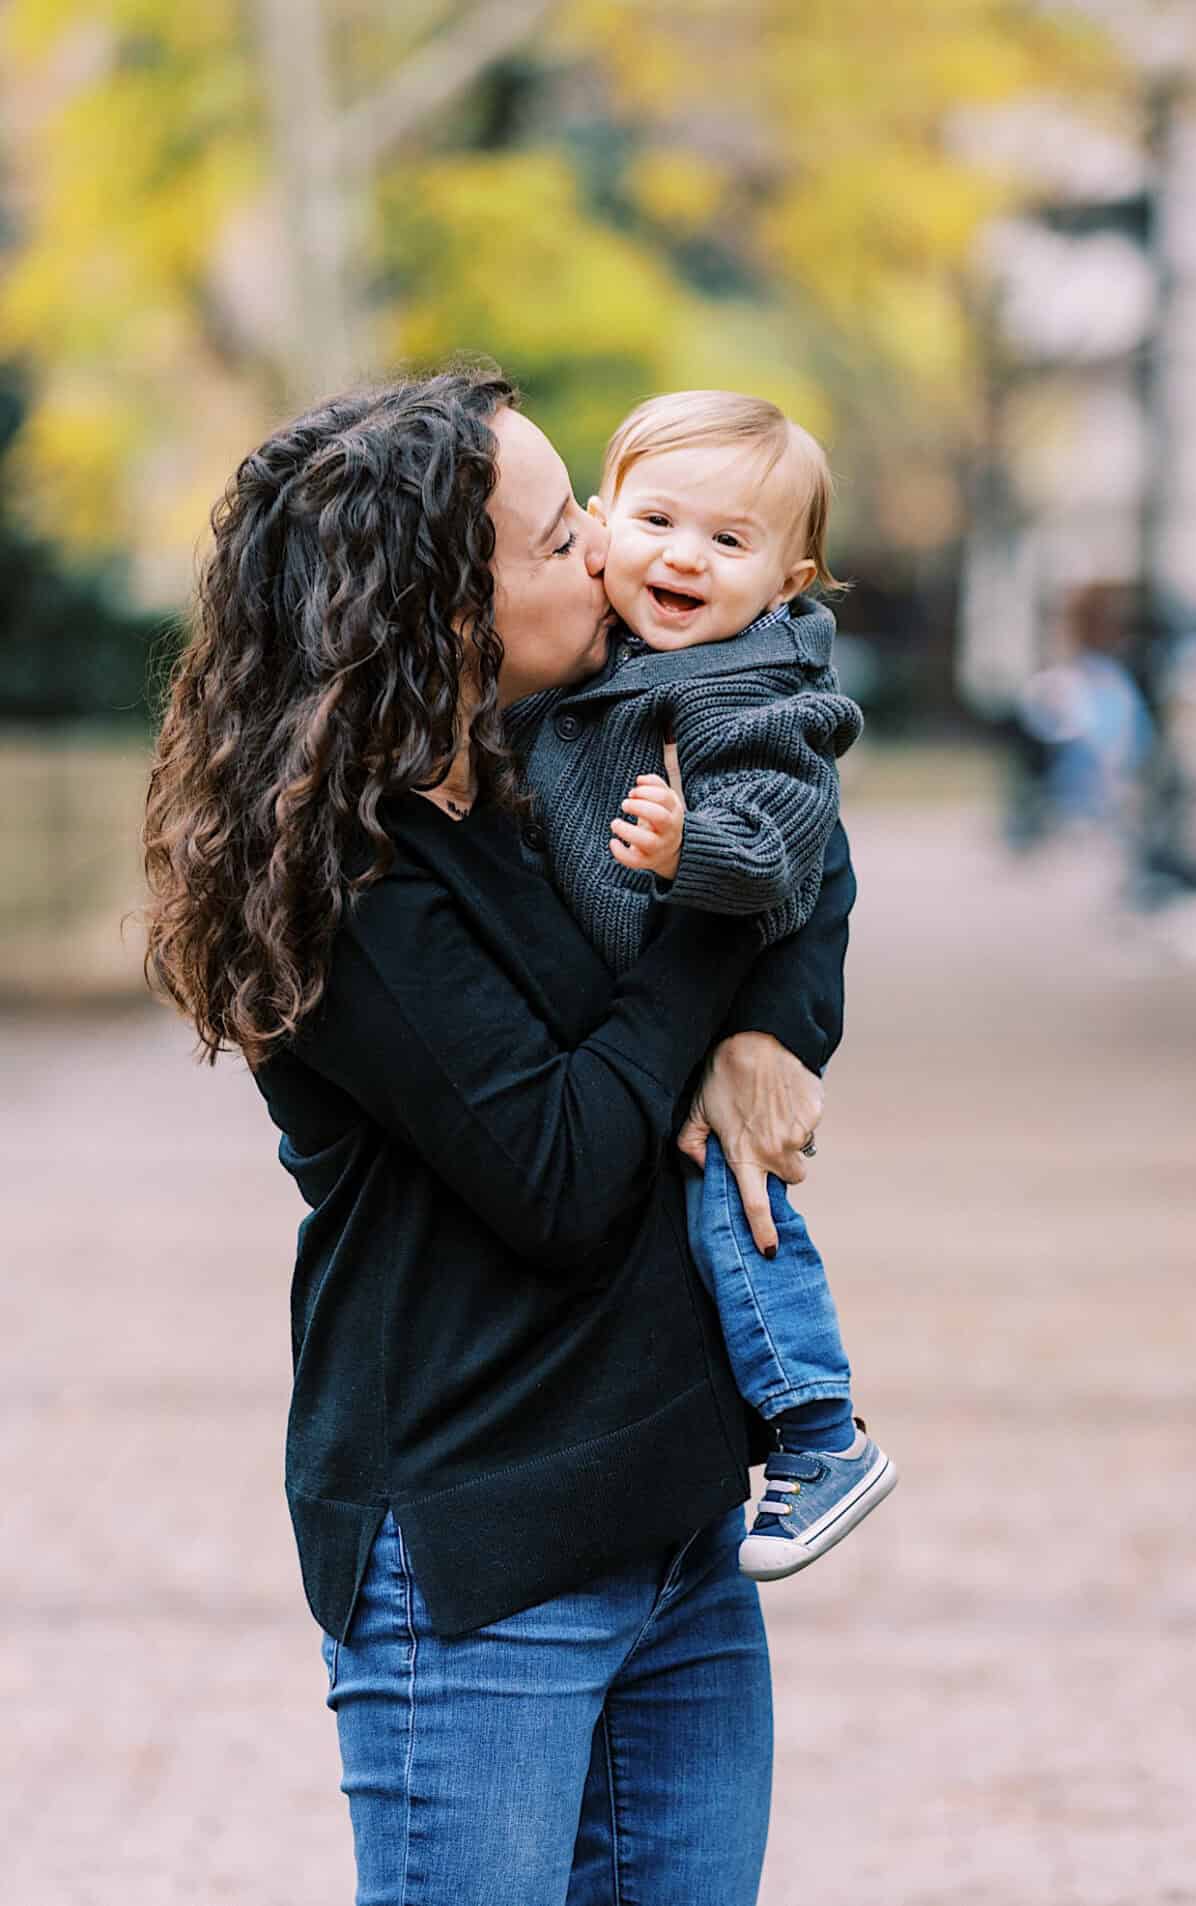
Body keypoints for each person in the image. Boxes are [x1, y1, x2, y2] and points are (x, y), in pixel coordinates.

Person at [139, 368, 849, 1902]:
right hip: (481, 1551)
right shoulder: (354, 883)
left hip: (673, 1530)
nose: (604, 547)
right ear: (444, 612)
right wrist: (714, 953)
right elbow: (565, 1171)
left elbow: (806, 845)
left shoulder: (557, 774)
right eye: (555, 535)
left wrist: (761, 1031)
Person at [519, 389, 895, 1582]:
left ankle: (819, 1429)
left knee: (739, 1210)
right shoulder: (612, 651)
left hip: (699, 1006)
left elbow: (789, 835)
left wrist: (699, 852)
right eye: (658, 520)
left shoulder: (749, 684)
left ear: (789, 580)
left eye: (729, 542)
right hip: (641, 1009)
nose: (684, 556)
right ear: (597, 524)